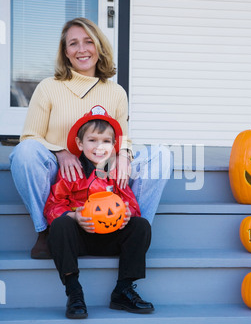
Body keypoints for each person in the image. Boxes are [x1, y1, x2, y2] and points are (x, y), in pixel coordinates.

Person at [9, 17, 172, 259]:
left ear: (99, 46)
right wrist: (61, 152)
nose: (82, 49)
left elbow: (123, 137)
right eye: (73, 44)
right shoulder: (48, 87)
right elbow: (30, 136)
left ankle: (132, 231)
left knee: (161, 154)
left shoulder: (115, 92)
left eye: (88, 42)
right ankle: (46, 231)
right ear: (65, 53)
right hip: (62, 172)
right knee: (24, 152)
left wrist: (125, 155)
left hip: (103, 167)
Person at [44, 105, 153, 318]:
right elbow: (53, 206)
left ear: (113, 145)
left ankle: (123, 289)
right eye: (92, 140)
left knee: (141, 225)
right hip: (79, 239)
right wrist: (74, 216)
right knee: (60, 224)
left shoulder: (115, 173)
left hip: (111, 236)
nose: (99, 147)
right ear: (79, 143)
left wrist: (127, 214)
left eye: (105, 141)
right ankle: (74, 291)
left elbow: (131, 204)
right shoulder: (71, 173)